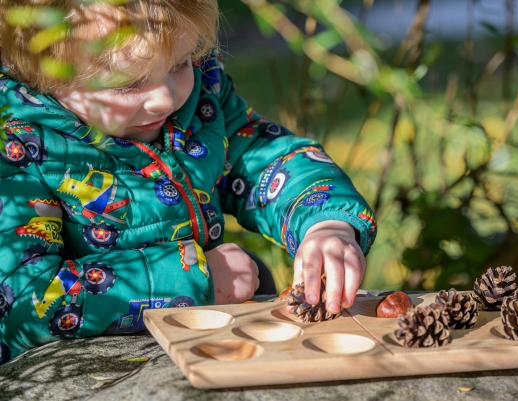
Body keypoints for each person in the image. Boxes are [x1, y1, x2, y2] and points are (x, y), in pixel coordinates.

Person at [0, 0, 377, 364]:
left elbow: (265, 157)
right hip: (85, 371)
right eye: (127, 83)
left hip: (204, 340)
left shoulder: (201, 102)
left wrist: (326, 223)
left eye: (181, 62)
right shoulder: (18, 147)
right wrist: (196, 279)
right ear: (45, 74)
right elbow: (24, 300)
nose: (165, 99)